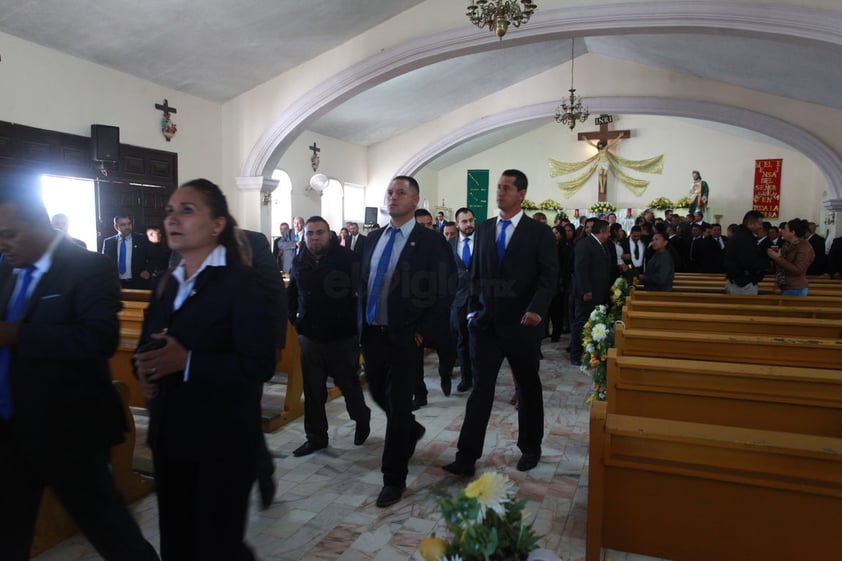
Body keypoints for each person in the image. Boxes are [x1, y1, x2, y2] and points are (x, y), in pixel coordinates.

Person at [0, 173, 159, 561]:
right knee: (8, 532)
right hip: (10, 428)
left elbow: (97, 339)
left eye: (10, 234)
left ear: (39, 225)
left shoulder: (87, 267)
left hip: (67, 428)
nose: (4, 244)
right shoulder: (5, 269)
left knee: (109, 530)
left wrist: (16, 334)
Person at [133, 179, 275, 560]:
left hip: (222, 441)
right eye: (169, 211)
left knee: (216, 546)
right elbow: (148, 346)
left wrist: (189, 361)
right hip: (170, 437)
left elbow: (258, 364)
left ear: (217, 225)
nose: (172, 219)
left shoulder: (241, 283)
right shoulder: (167, 282)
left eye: (187, 210)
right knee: (177, 544)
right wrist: (144, 370)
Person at [443, 169, 558, 477]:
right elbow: (475, 275)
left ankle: (530, 448)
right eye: (498, 187)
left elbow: (549, 278)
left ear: (521, 194)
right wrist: (472, 310)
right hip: (486, 325)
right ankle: (466, 456)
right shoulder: (484, 229)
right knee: (481, 390)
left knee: (527, 387)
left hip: (523, 324)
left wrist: (536, 309)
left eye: (507, 188)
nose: (500, 191)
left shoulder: (539, 233)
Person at [359, 176, 453, 507]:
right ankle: (412, 430)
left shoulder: (429, 242)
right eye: (390, 192)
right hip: (373, 333)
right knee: (376, 392)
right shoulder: (373, 239)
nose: (393, 197)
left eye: (401, 193)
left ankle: (393, 479)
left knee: (398, 405)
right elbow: (364, 284)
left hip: (405, 335)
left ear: (415, 201)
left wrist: (423, 332)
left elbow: (444, 291)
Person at [287, 216, 371, 457]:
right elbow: (292, 293)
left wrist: (359, 328)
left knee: (348, 385)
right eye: (310, 233)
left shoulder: (347, 259)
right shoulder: (299, 259)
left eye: (319, 232)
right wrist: (295, 320)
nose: (314, 237)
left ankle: (361, 416)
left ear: (330, 234)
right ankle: (316, 437)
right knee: (313, 391)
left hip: (342, 337)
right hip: (310, 337)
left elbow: (363, 295)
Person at [570, 219, 612, 366]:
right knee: (581, 322)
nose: (609, 235)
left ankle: (590, 352)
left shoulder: (602, 245)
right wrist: (586, 290)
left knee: (592, 322)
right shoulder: (584, 244)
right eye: (608, 232)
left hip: (598, 292)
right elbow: (580, 270)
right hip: (587, 293)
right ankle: (575, 354)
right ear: (601, 231)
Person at [450, 208, 476, 393]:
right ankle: (466, 378)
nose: (469, 224)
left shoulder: (483, 242)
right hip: (458, 299)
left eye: (471, 220)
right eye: (464, 221)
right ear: (457, 223)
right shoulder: (449, 244)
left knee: (481, 341)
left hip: (480, 298)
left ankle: (481, 377)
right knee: (462, 340)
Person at [101, 215, 155, 289]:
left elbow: (154, 257)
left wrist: (148, 271)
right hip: (116, 284)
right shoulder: (109, 242)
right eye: (123, 225)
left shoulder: (141, 239)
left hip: (138, 282)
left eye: (129, 224)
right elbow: (105, 263)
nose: (127, 227)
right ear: (116, 227)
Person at [723, 210, 768, 294]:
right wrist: (767, 263)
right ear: (750, 224)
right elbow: (750, 262)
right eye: (760, 224)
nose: (761, 227)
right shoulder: (745, 239)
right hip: (743, 285)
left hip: (738, 282)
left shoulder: (741, 235)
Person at [767, 218, 815, 296]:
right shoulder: (788, 244)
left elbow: (798, 270)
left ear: (792, 232)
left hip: (795, 287)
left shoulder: (804, 247)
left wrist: (778, 258)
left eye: (785, 229)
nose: (782, 231)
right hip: (785, 286)